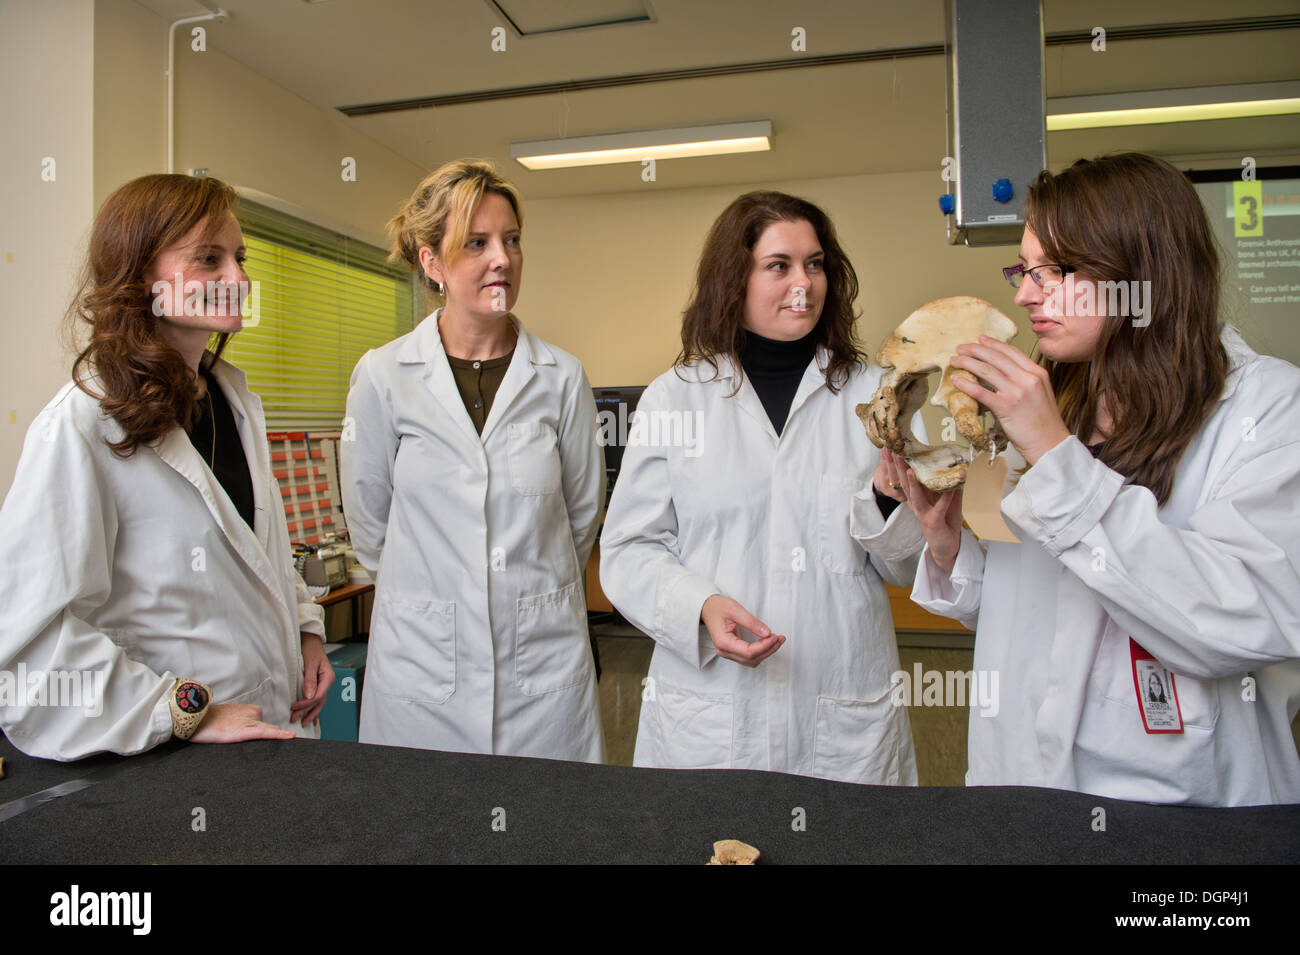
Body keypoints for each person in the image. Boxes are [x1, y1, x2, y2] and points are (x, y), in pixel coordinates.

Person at [877, 152, 1300, 806]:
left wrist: (1053, 451)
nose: (1023, 294)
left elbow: (1242, 621)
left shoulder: (1265, 407)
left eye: (1055, 271)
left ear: (1142, 271)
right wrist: (948, 543)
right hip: (1020, 782)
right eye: (1024, 269)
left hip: (1178, 802)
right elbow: (1022, 604)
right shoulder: (1050, 405)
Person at [0, 173, 332, 760]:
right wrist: (181, 711)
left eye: (239, 257)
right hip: (168, 755)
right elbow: (26, 648)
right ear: (139, 276)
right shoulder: (81, 426)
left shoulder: (231, 401)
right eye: (210, 259)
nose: (239, 280)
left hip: (274, 727)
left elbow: (262, 558)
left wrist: (307, 630)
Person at [599, 191, 926, 784]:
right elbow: (627, 551)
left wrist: (885, 501)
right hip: (711, 711)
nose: (804, 281)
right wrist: (700, 606)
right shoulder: (676, 397)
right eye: (779, 265)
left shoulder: (880, 396)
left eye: (816, 263)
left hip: (840, 700)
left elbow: (908, 570)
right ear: (733, 279)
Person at [341, 159, 605, 760]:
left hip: (540, 666)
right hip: (422, 668)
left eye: (511, 240)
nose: (502, 259)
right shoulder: (383, 376)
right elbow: (371, 525)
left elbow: (581, 517)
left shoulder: (561, 378)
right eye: (477, 243)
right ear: (432, 263)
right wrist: (439, 597)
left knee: (549, 835)